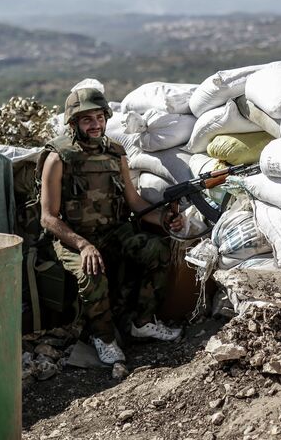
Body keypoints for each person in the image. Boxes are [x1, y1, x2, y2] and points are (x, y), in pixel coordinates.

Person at [39, 78, 183, 365]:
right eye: (87, 120)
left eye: (99, 118)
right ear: (73, 124)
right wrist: (83, 245)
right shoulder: (59, 157)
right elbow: (48, 217)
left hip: (114, 232)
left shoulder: (116, 153)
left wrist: (164, 219)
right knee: (91, 272)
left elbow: (135, 202)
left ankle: (141, 322)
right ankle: (103, 337)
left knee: (157, 248)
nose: (95, 125)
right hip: (73, 238)